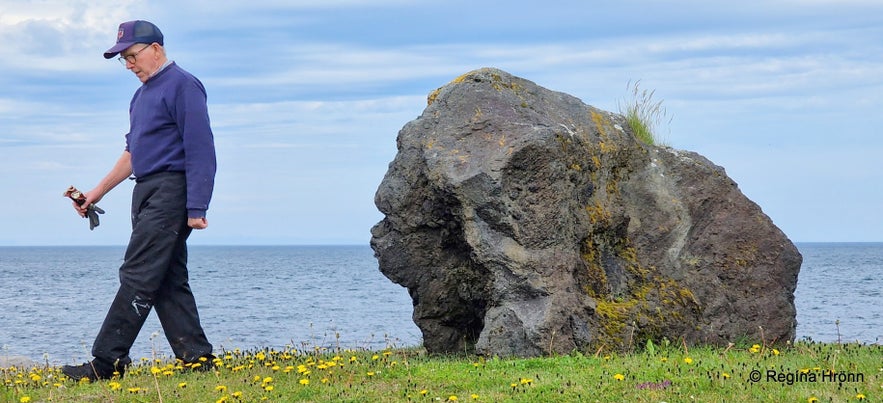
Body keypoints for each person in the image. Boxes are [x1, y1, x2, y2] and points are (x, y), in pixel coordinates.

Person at [61, 20, 217, 381]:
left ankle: (107, 362)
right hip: (145, 189)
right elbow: (133, 153)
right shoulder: (141, 95)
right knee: (166, 277)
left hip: (171, 191)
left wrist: (197, 207)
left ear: (156, 50)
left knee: (138, 272)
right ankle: (198, 360)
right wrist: (95, 194)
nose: (129, 65)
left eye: (132, 56)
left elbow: (201, 149)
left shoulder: (184, 85)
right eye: (124, 60)